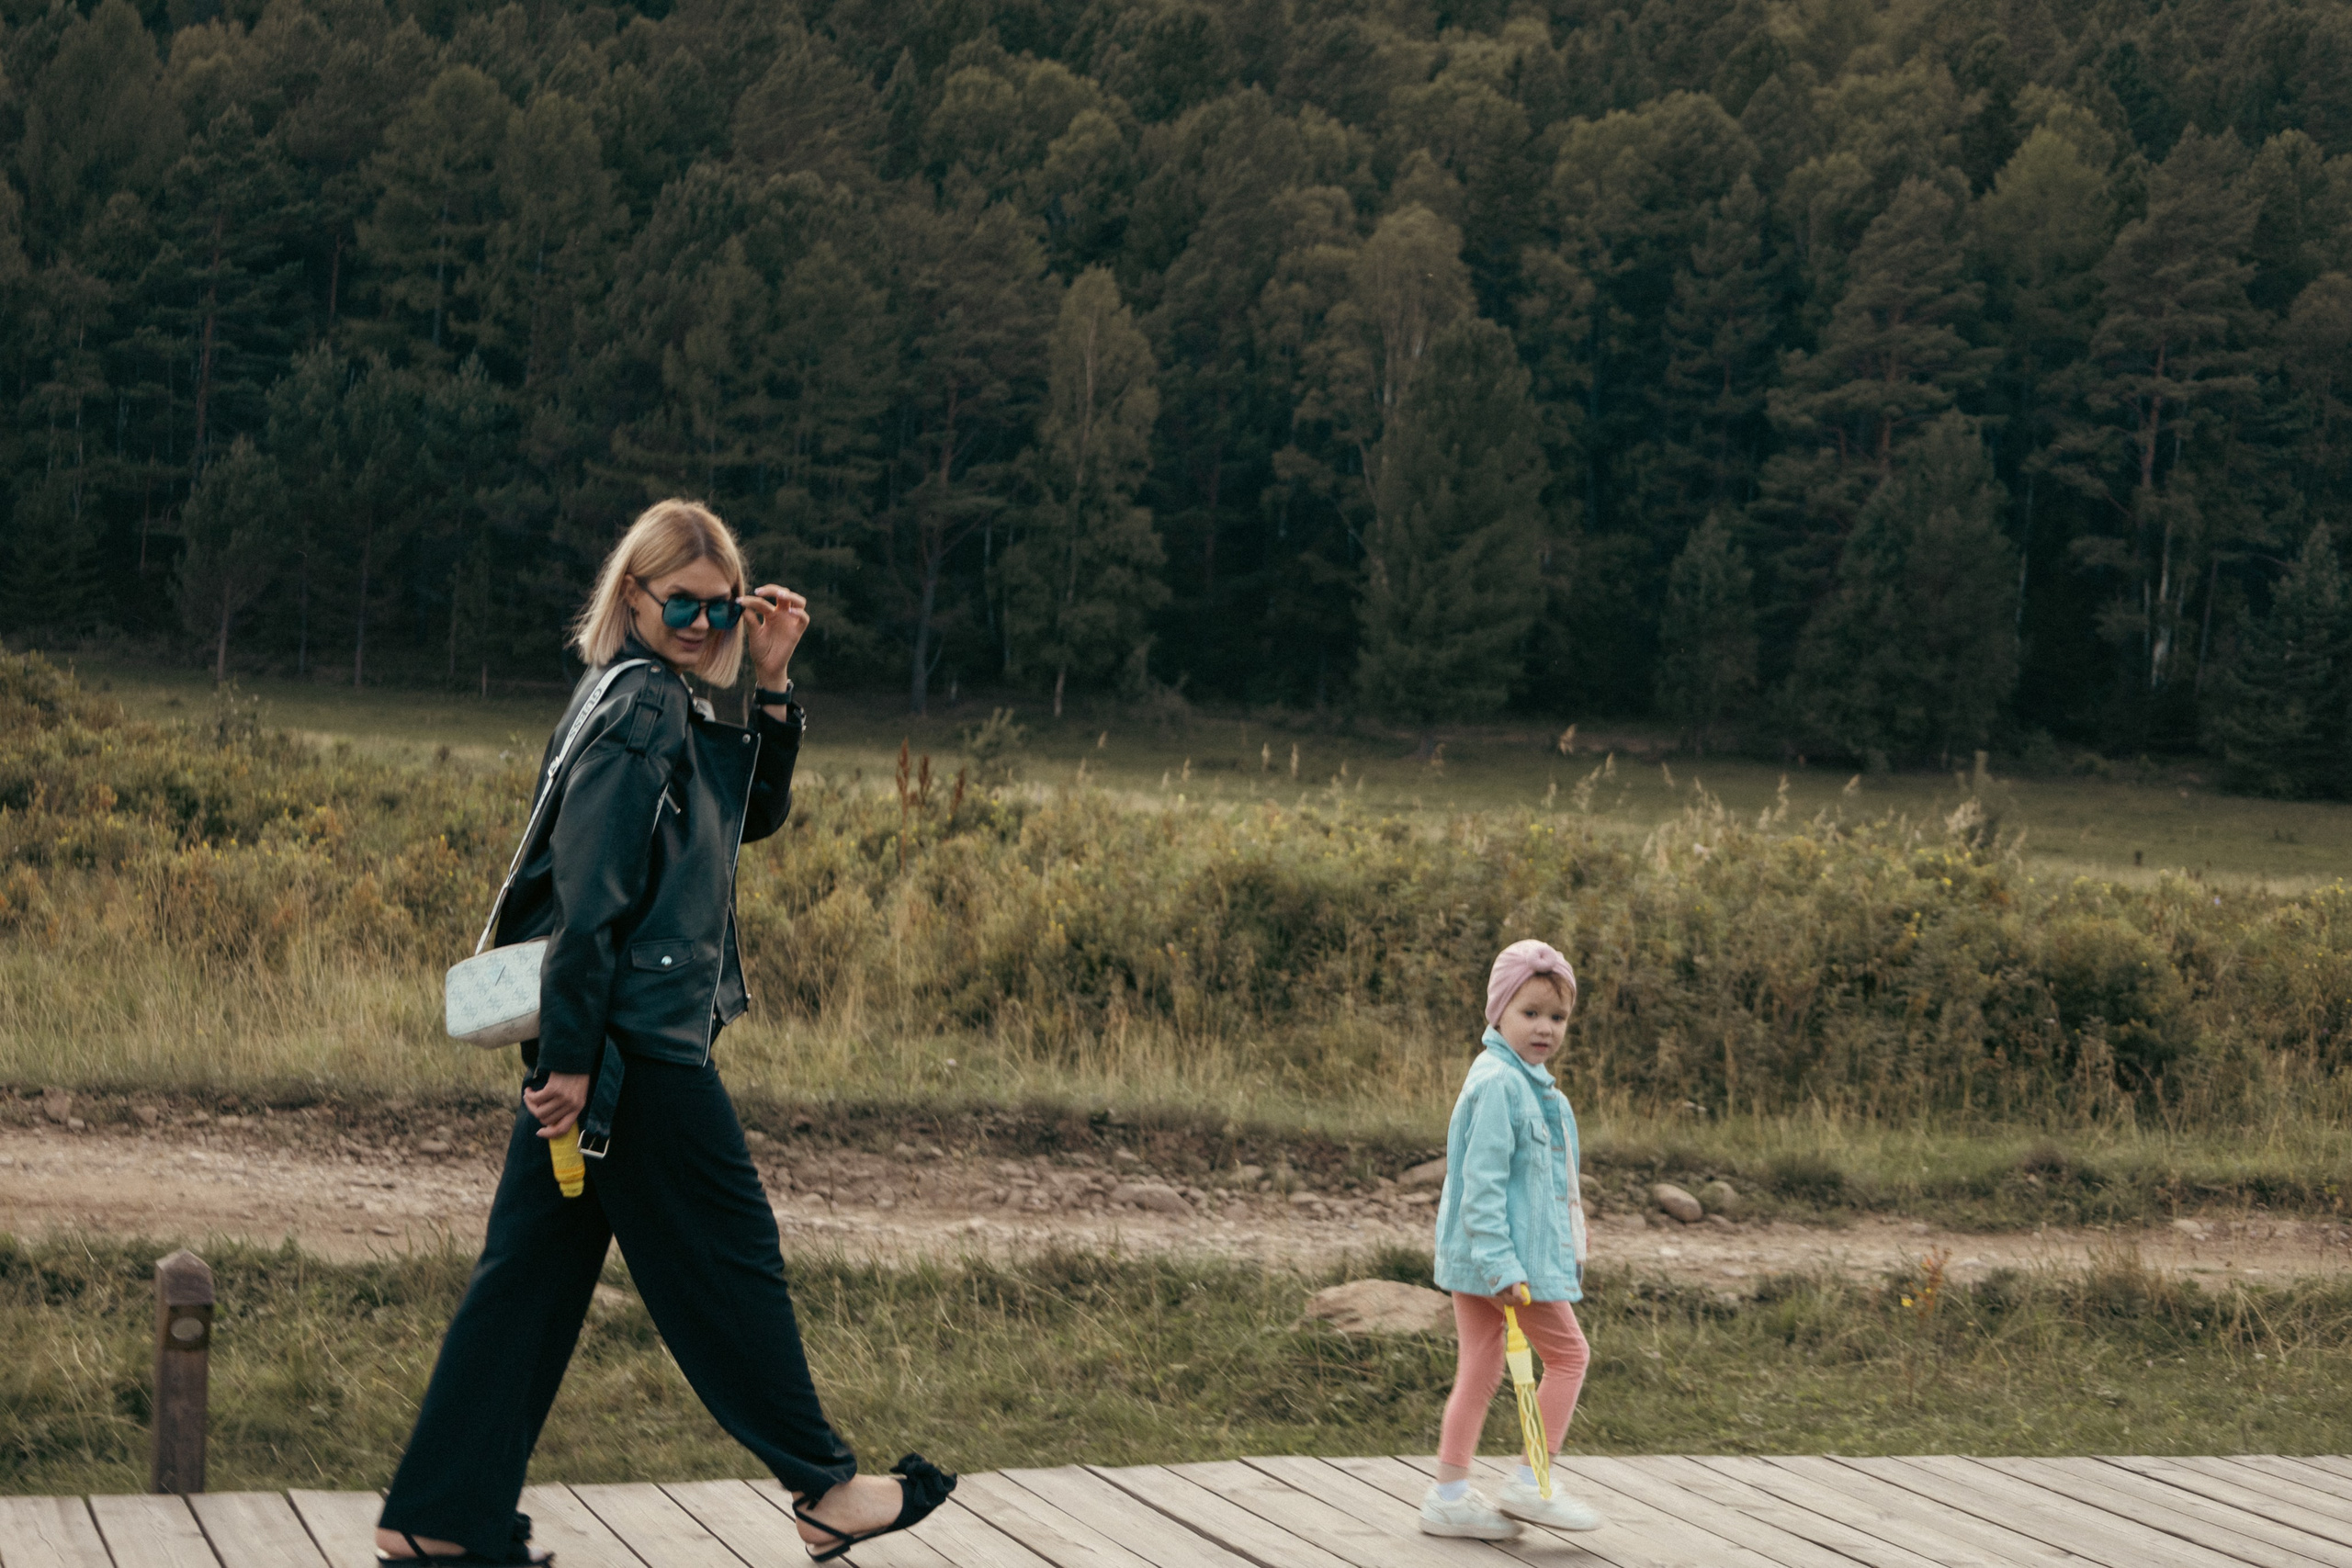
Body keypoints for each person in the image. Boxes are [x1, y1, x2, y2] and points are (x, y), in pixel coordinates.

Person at [375, 500, 953, 1564]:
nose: (700, 621)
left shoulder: (638, 695)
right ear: (631, 597)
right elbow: (591, 900)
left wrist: (770, 680)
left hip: (608, 1045)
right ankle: (825, 1488)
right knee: (732, 1259)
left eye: (719, 604)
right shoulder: (645, 706)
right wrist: (575, 1063)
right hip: (632, 1050)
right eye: (677, 601)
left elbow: (747, 818)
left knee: (528, 1286)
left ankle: (436, 1522)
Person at [1419, 938, 1606, 1540]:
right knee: (1570, 1356)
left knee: (1479, 1366)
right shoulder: (1502, 1084)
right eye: (1530, 1012)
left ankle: (1448, 1495)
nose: (1545, 1027)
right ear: (1498, 1010)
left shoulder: (1524, 1080)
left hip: (1478, 1257)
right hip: (1504, 1261)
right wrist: (1503, 1264)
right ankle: (1532, 1482)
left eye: (1557, 1017)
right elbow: (1482, 1186)